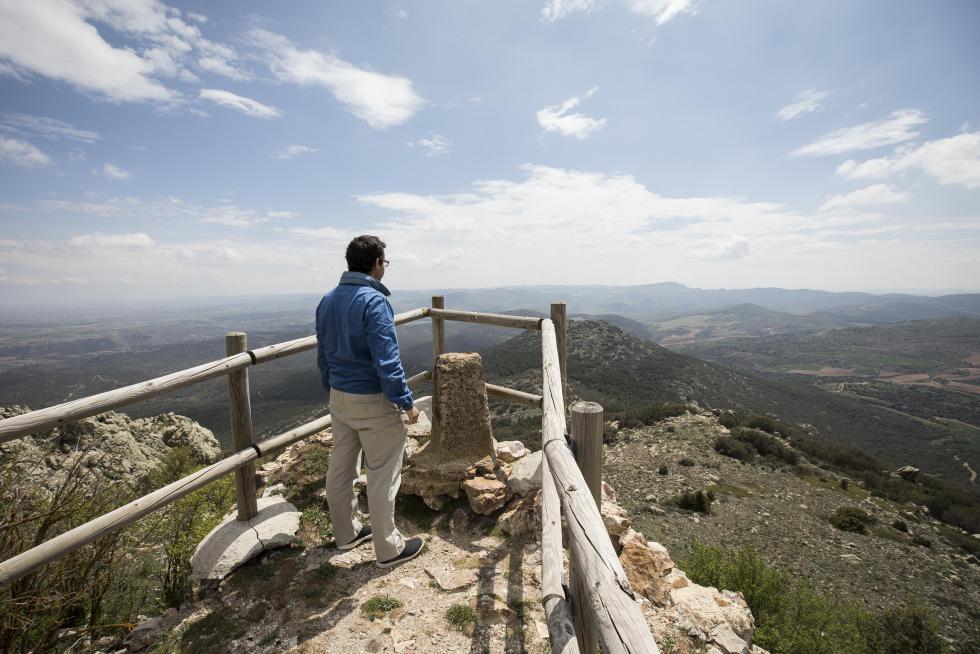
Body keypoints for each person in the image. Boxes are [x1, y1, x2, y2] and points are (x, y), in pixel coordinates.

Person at [315, 235, 424, 568]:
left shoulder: (328, 300)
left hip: (340, 398)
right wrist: (406, 403)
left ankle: (346, 535)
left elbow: (322, 355)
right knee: (382, 475)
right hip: (372, 401)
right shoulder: (374, 301)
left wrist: (333, 390)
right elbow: (387, 362)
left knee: (341, 468)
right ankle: (388, 549)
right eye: (384, 263)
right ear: (377, 263)